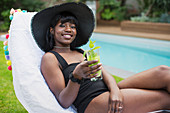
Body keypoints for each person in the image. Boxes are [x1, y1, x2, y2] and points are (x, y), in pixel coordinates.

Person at [31, 2, 170, 113]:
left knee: (164, 72)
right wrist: (76, 77)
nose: (68, 29)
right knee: (164, 98)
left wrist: (115, 91)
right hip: (93, 102)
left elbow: (104, 73)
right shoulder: (51, 58)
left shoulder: (81, 52)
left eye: (72, 26)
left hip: (108, 91)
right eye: (62, 26)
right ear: (52, 30)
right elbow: (64, 101)